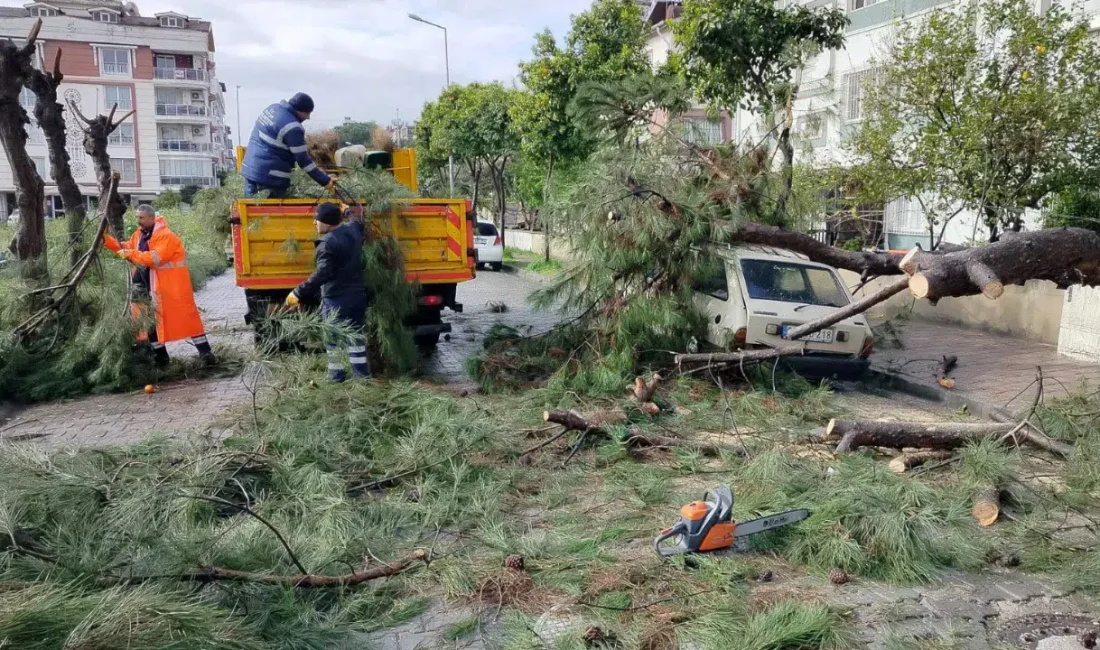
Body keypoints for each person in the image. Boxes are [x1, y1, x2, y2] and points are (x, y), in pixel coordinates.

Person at [104, 205, 214, 367]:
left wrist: (129, 254)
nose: (138, 221)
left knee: (188, 320)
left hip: (169, 288)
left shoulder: (166, 236)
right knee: (148, 322)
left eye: (141, 217)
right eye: (137, 217)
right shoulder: (140, 235)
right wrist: (105, 240)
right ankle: (161, 358)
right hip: (145, 285)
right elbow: (127, 247)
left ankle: (206, 354)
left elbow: (154, 259)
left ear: (151, 217)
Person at [284, 203, 370, 382]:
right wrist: (346, 210)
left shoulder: (327, 243)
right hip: (357, 297)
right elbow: (358, 219)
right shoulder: (353, 231)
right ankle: (362, 378)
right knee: (355, 338)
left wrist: (298, 293)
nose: (315, 222)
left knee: (333, 340)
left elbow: (323, 273)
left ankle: (336, 377)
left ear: (328, 222)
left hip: (336, 299)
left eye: (318, 219)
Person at [241, 92, 336, 198]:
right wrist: (325, 181)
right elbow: (303, 161)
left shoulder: (272, 109)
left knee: (252, 210)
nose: (308, 117)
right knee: (270, 213)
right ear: (300, 111)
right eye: (307, 113)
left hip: (251, 171)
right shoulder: (292, 127)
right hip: (270, 179)